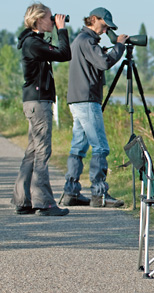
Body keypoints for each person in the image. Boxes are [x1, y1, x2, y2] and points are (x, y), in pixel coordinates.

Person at [62, 7, 129, 208]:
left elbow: (97, 61)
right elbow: (104, 63)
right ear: (93, 19)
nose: (105, 29)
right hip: (87, 100)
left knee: (78, 146)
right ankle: (99, 194)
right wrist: (119, 47)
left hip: (77, 99)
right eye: (104, 25)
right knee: (100, 146)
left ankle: (71, 192)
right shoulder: (87, 40)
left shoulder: (81, 40)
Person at [12, 3, 71, 216]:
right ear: (38, 20)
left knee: (32, 151)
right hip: (38, 102)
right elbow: (64, 54)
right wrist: (62, 29)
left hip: (34, 101)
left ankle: (22, 200)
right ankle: (44, 202)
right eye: (49, 18)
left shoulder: (31, 41)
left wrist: (55, 29)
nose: (53, 21)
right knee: (42, 152)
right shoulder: (33, 44)